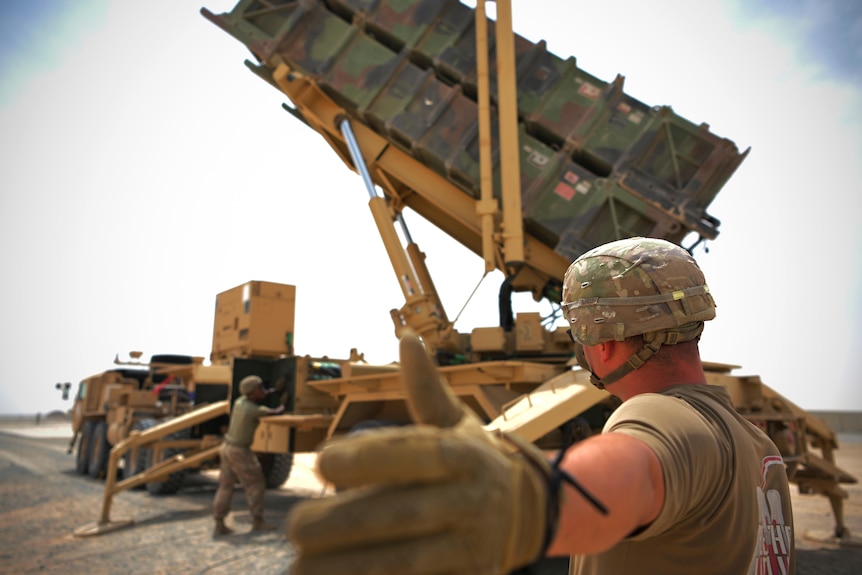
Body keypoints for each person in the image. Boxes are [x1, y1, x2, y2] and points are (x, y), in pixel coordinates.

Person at [286, 237, 795, 574]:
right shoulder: (761, 449)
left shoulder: (657, 414)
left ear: (602, 342)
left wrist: (529, 501)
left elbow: (634, 471)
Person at [213, 374, 284, 536]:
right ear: (253, 392)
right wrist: (283, 403)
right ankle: (258, 521)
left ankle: (219, 523)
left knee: (225, 485)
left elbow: (261, 397)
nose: (263, 391)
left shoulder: (240, 402)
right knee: (256, 483)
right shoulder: (253, 409)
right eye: (260, 388)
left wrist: (273, 391)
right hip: (239, 450)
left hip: (227, 448)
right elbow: (276, 412)